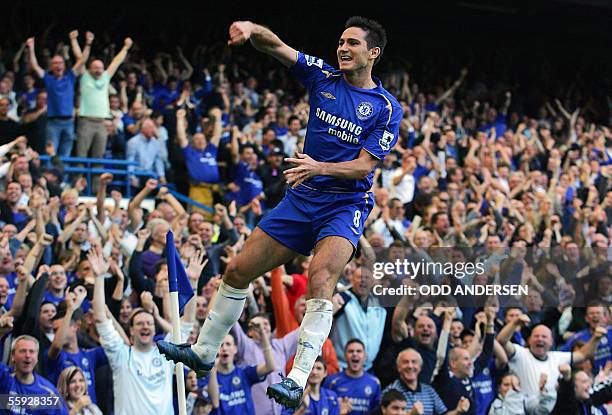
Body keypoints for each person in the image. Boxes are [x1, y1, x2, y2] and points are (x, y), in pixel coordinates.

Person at [157, 16, 402, 409]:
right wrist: (254, 30)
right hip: (302, 199)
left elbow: (363, 166)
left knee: (320, 277)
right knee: (237, 270)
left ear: (372, 53)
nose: (342, 47)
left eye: (352, 43)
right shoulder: (323, 76)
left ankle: (297, 378)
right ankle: (204, 351)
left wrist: (318, 167)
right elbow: (278, 47)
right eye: (340, 41)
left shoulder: (386, 108)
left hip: (344, 204)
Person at [26, 34, 90, 157]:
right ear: (51, 66)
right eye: (55, 63)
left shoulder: (70, 77)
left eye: (60, 63)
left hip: (69, 122)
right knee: (51, 153)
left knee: (66, 154)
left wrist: (88, 43)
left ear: (64, 65)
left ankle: (63, 176)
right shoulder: (48, 79)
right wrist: (31, 48)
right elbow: (35, 66)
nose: (58, 65)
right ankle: (51, 175)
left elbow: (82, 61)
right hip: (53, 122)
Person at [75, 36, 133, 161]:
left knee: (99, 157)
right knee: (81, 155)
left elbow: (116, 62)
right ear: (90, 69)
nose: (98, 70)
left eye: (100, 68)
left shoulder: (105, 77)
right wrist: (81, 42)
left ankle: (97, 181)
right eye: (95, 68)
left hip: (102, 123)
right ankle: (78, 180)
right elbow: (80, 58)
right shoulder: (85, 77)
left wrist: (126, 47)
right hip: (86, 121)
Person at [383, 348, 470, 415]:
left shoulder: (429, 391)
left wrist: (457, 411)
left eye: (414, 362)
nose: (410, 366)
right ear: (398, 368)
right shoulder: (390, 392)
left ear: (420, 367)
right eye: (405, 362)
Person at [0, 335, 69, 414]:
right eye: (23, 351)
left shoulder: (48, 392)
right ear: (13, 356)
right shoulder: (3, 377)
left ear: (37, 358)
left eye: (32, 351)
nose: (27, 355)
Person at [324, 338, 381, 414]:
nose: (355, 354)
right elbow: (324, 408)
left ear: (365, 357)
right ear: (345, 356)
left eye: (359, 351)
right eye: (351, 351)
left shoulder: (374, 382)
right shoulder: (332, 381)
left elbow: (377, 411)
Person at [281, 357, 351, 415]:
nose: (314, 372)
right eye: (311, 368)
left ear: (325, 373)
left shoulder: (331, 396)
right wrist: (302, 408)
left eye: (319, 368)